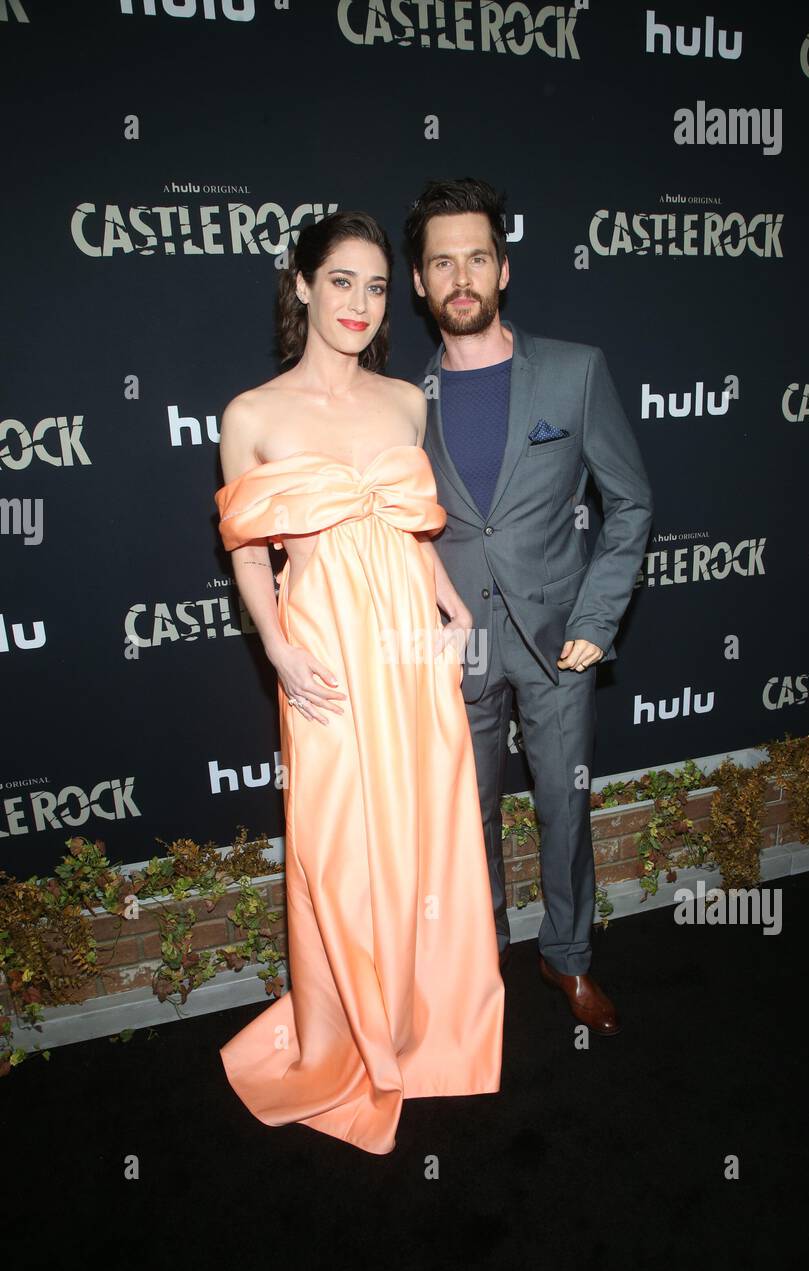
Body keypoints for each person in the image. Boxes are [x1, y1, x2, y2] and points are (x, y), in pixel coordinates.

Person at [213, 211, 504, 1155]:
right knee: (341, 850)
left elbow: (409, 528)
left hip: (408, 648)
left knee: (423, 833)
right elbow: (250, 553)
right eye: (341, 281)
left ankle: (423, 1032)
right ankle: (349, 1041)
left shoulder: (403, 403)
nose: (360, 303)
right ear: (300, 285)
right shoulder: (251, 415)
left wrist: (449, 601)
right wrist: (277, 652)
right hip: (325, 652)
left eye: (377, 286)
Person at [406, 177, 653, 1036]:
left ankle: (569, 956)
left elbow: (630, 503)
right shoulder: (403, 404)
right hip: (452, 647)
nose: (461, 276)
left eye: (477, 256)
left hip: (558, 641)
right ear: (420, 283)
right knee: (463, 817)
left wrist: (594, 620)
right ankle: (481, 965)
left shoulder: (574, 373)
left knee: (563, 808)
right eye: (443, 262)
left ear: (504, 268)